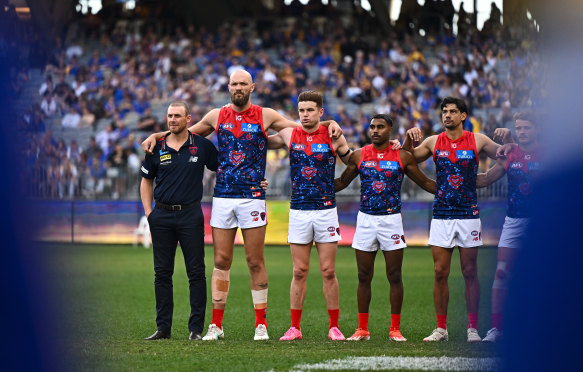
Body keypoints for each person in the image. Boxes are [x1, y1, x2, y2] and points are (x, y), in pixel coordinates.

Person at [142, 70, 342, 341]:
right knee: (221, 261)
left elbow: (301, 126)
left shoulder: (266, 115)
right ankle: (216, 325)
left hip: (252, 198)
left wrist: (328, 122)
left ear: (252, 87)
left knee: (254, 260)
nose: (238, 88)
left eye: (243, 84)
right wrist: (157, 135)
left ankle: (261, 324)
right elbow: (184, 132)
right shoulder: (216, 115)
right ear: (228, 87)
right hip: (223, 196)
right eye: (234, 84)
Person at [402, 96, 501, 342]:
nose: (447, 115)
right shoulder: (433, 141)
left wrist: (488, 178)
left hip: (468, 214)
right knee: (439, 272)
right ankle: (441, 329)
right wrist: (424, 180)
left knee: (469, 271)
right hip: (442, 215)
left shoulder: (477, 140)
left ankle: (472, 329)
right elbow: (406, 159)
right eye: (444, 111)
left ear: (463, 116)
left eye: (453, 111)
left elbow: (508, 155)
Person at [334, 114, 436, 341]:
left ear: (390, 130)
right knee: (363, 275)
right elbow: (341, 183)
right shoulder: (360, 155)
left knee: (394, 275)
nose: (375, 130)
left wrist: (452, 190)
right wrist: (314, 185)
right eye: (372, 127)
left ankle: (395, 329)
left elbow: (426, 183)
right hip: (366, 220)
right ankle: (362, 329)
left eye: (380, 127)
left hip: (391, 220)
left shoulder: (402, 156)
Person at [266, 90, 352, 341]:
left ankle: (334, 326)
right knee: (299, 271)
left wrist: (341, 183)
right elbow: (259, 142)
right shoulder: (289, 133)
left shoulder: (333, 135)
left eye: (310, 110)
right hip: (299, 211)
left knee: (328, 271)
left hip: (326, 210)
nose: (305, 115)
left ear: (320, 112)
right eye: (301, 110)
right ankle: (295, 327)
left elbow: (354, 162)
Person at [140, 101, 218, 341]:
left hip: (190, 215)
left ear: (188, 119)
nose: (172, 120)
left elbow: (224, 169)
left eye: (177, 116)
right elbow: (146, 181)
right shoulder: (156, 147)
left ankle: (195, 329)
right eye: (169, 116)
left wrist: (257, 182)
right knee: (162, 273)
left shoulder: (202, 146)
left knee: (196, 272)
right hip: (161, 215)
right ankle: (163, 328)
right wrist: (149, 213)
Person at [476, 112, 541, 343]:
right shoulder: (509, 153)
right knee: (502, 273)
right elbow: (485, 179)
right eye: (519, 128)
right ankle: (496, 329)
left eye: (527, 128)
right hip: (513, 221)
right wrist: (451, 178)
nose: (523, 132)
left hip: (540, 222)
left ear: (536, 130)